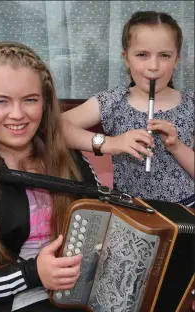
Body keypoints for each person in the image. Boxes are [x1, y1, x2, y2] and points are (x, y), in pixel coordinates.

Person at [0, 41, 189, 312]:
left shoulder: (67, 156)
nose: (17, 114)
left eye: (30, 100)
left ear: (45, 103)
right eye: (0, 102)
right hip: (12, 305)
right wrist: (32, 274)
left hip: (86, 293)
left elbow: (108, 226)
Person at [61, 11, 194, 208]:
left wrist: (176, 147)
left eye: (165, 55)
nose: (154, 66)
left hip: (185, 211)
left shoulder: (190, 104)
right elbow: (54, 128)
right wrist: (110, 143)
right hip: (130, 212)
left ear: (177, 59)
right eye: (142, 55)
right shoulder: (113, 101)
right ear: (126, 58)